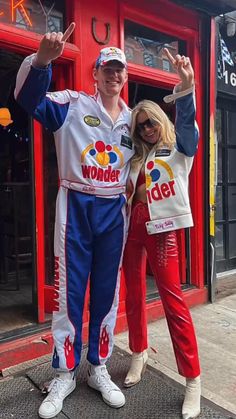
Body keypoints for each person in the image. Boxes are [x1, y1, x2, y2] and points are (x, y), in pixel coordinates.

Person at [14, 22, 134, 419]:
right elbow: (27, 99)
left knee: (107, 292)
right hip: (77, 204)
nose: (114, 75)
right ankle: (64, 372)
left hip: (114, 210)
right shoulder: (73, 104)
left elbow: (177, 147)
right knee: (69, 293)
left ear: (125, 77)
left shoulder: (135, 121)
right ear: (95, 74)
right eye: (107, 69)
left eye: (120, 70)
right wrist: (42, 61)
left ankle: (98, 366)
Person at [122, 49, 201, 419]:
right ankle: (138, 354)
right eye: (139, 126)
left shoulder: (179, 150)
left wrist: (186, 87)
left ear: (159, 120)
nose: (146, 130)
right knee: (134, 295)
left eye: (149, 123)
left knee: (173, 303)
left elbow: (187, 123)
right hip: (132, 227)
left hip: (163, 231)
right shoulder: (136, 157)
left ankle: (193, 380)